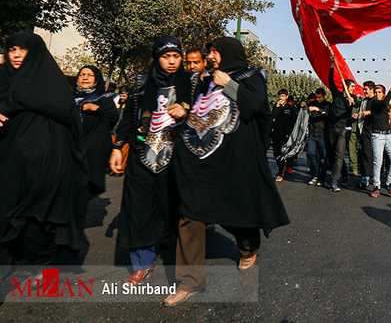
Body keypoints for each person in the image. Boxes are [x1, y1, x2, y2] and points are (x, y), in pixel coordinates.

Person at [167, 36, 289, 306]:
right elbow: (201, 113)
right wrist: (183, 114)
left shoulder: (251, 75)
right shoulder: (207, 81)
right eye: (210, 52)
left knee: (235, 210)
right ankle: (190, 281)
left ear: (227, 53)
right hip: (202, 159)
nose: (210, 56)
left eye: (214, 52)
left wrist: (231, 85)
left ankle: (249, 247)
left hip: (234, 160)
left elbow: (257, 106)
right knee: (191, 212)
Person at [0, 32, 89, 268]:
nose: (17, 54)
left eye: (23, 49)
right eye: (12, 49)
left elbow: (67, 116)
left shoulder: (50, 82)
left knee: (41, 222)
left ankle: (46, 266)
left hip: (47, 166)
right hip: (9, 165)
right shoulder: (3, 79)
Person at [110, 36, 190, 285]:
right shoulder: (142, 84)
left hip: (177, 157)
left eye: (176, 56)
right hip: (141, 155)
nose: (171, 61)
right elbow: (128, 118)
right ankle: (142, 263)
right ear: (157, 58)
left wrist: (186, 112)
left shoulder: (191, 83)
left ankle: (173, 248)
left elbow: (205, 122)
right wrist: (116, 146)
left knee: (172, 207)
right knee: (138, 208)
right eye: (166, 56)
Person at [74, 65, 119, 196]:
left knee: (83, 188)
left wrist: (94, 109)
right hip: (69, 146)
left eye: (90, 75)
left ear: (97, 79)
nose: (85, 78)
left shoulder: (103, 97)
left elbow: (113, 117)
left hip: (91, 150)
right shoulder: (68, 95)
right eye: (82, 74)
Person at [327, 62, 357, 192]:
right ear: (346, 86)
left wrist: (353, 103)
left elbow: (357, 105)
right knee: (334, 155)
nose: (353, 89)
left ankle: (334, 182)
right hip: (331, 129)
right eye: (351, 87)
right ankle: (344, 174)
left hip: (344, 130)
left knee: (339, 155)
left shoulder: (353, 98)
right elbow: (330, 81)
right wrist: (332, 66)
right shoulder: (337, 95)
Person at [366, 83, 391, 197]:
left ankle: (390, 182)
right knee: (377, 162)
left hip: (388, 135)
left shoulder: (386, 106)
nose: (377, 94)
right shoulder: (374, 103)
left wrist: (390, 117)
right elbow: (383, 103)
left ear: (383, 94)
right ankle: (376, 185)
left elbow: (385, 110)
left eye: (379, 92)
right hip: (377, 136)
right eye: (375, 92)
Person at [271, 89, 299, 182]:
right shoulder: (276, 107)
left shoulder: (290, 108)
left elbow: (293, 122)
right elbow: (272, 117)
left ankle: (280, 172)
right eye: (280, 96)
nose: (281, 98)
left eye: (283, 96)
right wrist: (277, 107)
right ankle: (281, 166)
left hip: (286, 134)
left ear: (286, 97)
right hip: (276, 133)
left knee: (282, 153)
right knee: (276, 153)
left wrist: (293, 135)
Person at [306, 88, 330, 187]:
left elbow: (328, 114)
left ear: (324, 96)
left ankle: (322, 178)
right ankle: (315, 175)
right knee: (310, 153)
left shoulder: (328, 105)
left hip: (322, 134)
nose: (318, 99)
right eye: (317, 97)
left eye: (320, 97)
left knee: (323, 158)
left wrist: (318, 109)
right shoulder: (312, 104)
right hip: (312, 134)